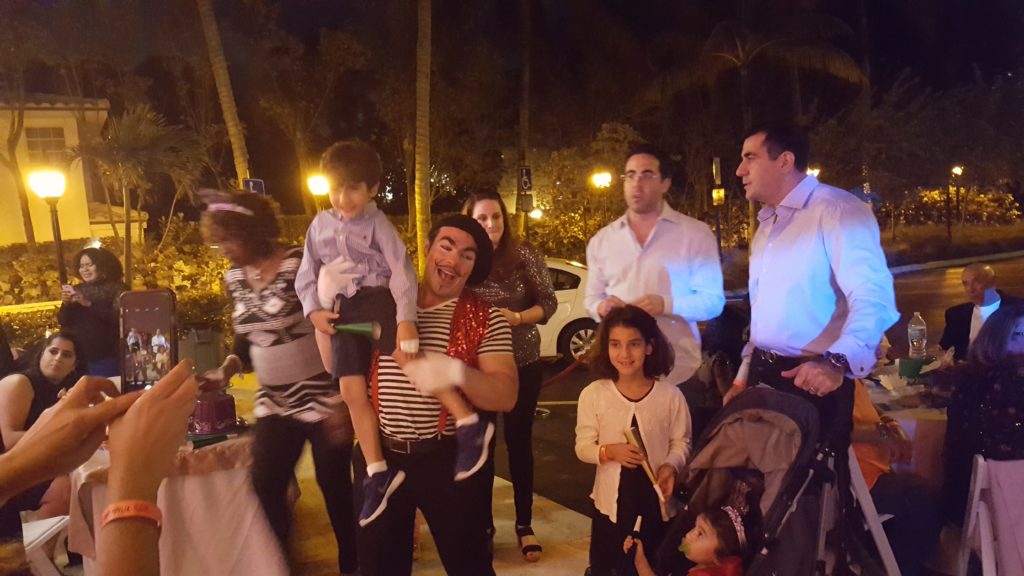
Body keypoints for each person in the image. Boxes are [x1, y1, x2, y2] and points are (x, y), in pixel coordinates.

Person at [296, 142, 493, 526]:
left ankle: (468, 422)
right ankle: (377, 472)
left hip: (376, 303)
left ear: (372, 189)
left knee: (408, 359)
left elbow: (401, 270)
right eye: (336, 188)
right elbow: (306, 273)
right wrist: (314, 310)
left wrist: (405, 319)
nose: (343, 197)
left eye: (353, 188)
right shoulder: (319, 225)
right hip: (343, 312)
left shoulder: (378, 224)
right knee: (350, 389)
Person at [201, 190, 359, 575]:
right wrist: (227, 368)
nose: (224, 249)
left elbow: (340, 327)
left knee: (335, 486)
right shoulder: (234, 277)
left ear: (252, 231)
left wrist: (342, 397)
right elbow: (245, 336)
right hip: (274, 401)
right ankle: (282, 565)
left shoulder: (298, 265)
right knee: (265, 483)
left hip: (323, 396)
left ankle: (354, 564)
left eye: (229, 239)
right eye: (218, 241)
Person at [354, 214, 517, 576]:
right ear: (427, 249)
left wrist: (456, 371)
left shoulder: (487, 318)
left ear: (473, 268)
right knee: (378, 567)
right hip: (379, 457)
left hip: (446, 459)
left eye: (467, 256)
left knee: (470, 566)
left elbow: (506, 395)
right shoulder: (383, 304)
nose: (453, 261)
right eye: (446, 246)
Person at [725, 126, 899, 450]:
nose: (739, 170)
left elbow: (873, 298)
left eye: (750, 157)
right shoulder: (768, 224)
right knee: (757, 479)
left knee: (812, 481)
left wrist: (835, 364)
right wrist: (743, 376)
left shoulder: (837, 210)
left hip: (813, 381)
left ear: (785, 161)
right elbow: (764, 316)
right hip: (764, 377)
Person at [584, 144, 724, 438]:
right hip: (622, 375)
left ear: (665, 183)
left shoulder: (694, 234)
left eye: (647, 175)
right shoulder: (603, 240)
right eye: (630, 175)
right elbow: (591, 299)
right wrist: (603, 308)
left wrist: (666, 304)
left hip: (678, 370)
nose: (637, 183)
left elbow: (713, 302)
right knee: (626, 455)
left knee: (681, 455)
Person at [464, 190, 558, 561]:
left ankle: (524, 523)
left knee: (519, 443)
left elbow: (548, 302)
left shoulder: (524, 254)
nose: (491, 224)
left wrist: (517, 318)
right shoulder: (464, 258)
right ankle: (483, 527)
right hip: (480, 369)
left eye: (496, 217)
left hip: (523, 362)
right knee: (482, 447)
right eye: (482, 218)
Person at [576, 305, 691, 576]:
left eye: (634, 344)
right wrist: (608, 451)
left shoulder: (670, 396)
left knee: (653, 564)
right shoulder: (594, 394)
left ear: (649, 347)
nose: (625, 354)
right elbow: (583, 447)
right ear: (606, 347)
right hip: (612, 503)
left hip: (655, 501)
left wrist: (670, 466)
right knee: (610, 566)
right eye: (615, 344)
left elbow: (682, 442)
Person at [941, 304, 1024, 525]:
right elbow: (1000, 444)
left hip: (975, 497)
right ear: (997, 339)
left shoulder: (971, 377)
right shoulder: (999, 381)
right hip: (997, 499)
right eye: (1017, 335)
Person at [851, 378, 940, 575]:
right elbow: (835, 427)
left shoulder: (844, 374)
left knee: (917, 493)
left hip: (874, 471)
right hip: (858, 485)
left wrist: (889, 423)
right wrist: (884, 434)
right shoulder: (821, 380)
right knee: (923, 497)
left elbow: (863, 403)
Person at [0, 332, 82, 538]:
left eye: (66, 355)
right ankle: (44, 554)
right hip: (6, 467)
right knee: (62, 489)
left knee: (81, 480)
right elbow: (10, 440)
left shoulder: (63, 390)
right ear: (42, 354)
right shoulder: (20, 383)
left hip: (27, 463)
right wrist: (63, 437)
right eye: (53, 351)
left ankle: (71, 547)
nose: (57, 358)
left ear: (74, 365)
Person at [58, 247, 125, 376]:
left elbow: (118, 319)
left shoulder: (117, 288)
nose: (85, 270)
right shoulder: (76, 289)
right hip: (78, 357)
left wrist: (88, 304)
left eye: (89, 265)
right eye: (82, 266)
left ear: (101, 266)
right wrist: (66, 305)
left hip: (106, 355)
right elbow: (63, 321)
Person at [939, 263, 1023, 362]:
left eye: (976, 282)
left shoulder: (1018, 308)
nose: (970, 289)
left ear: (992, 281)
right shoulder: (957, 315)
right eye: (966, 283)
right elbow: (945, 349)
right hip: (967, 370)